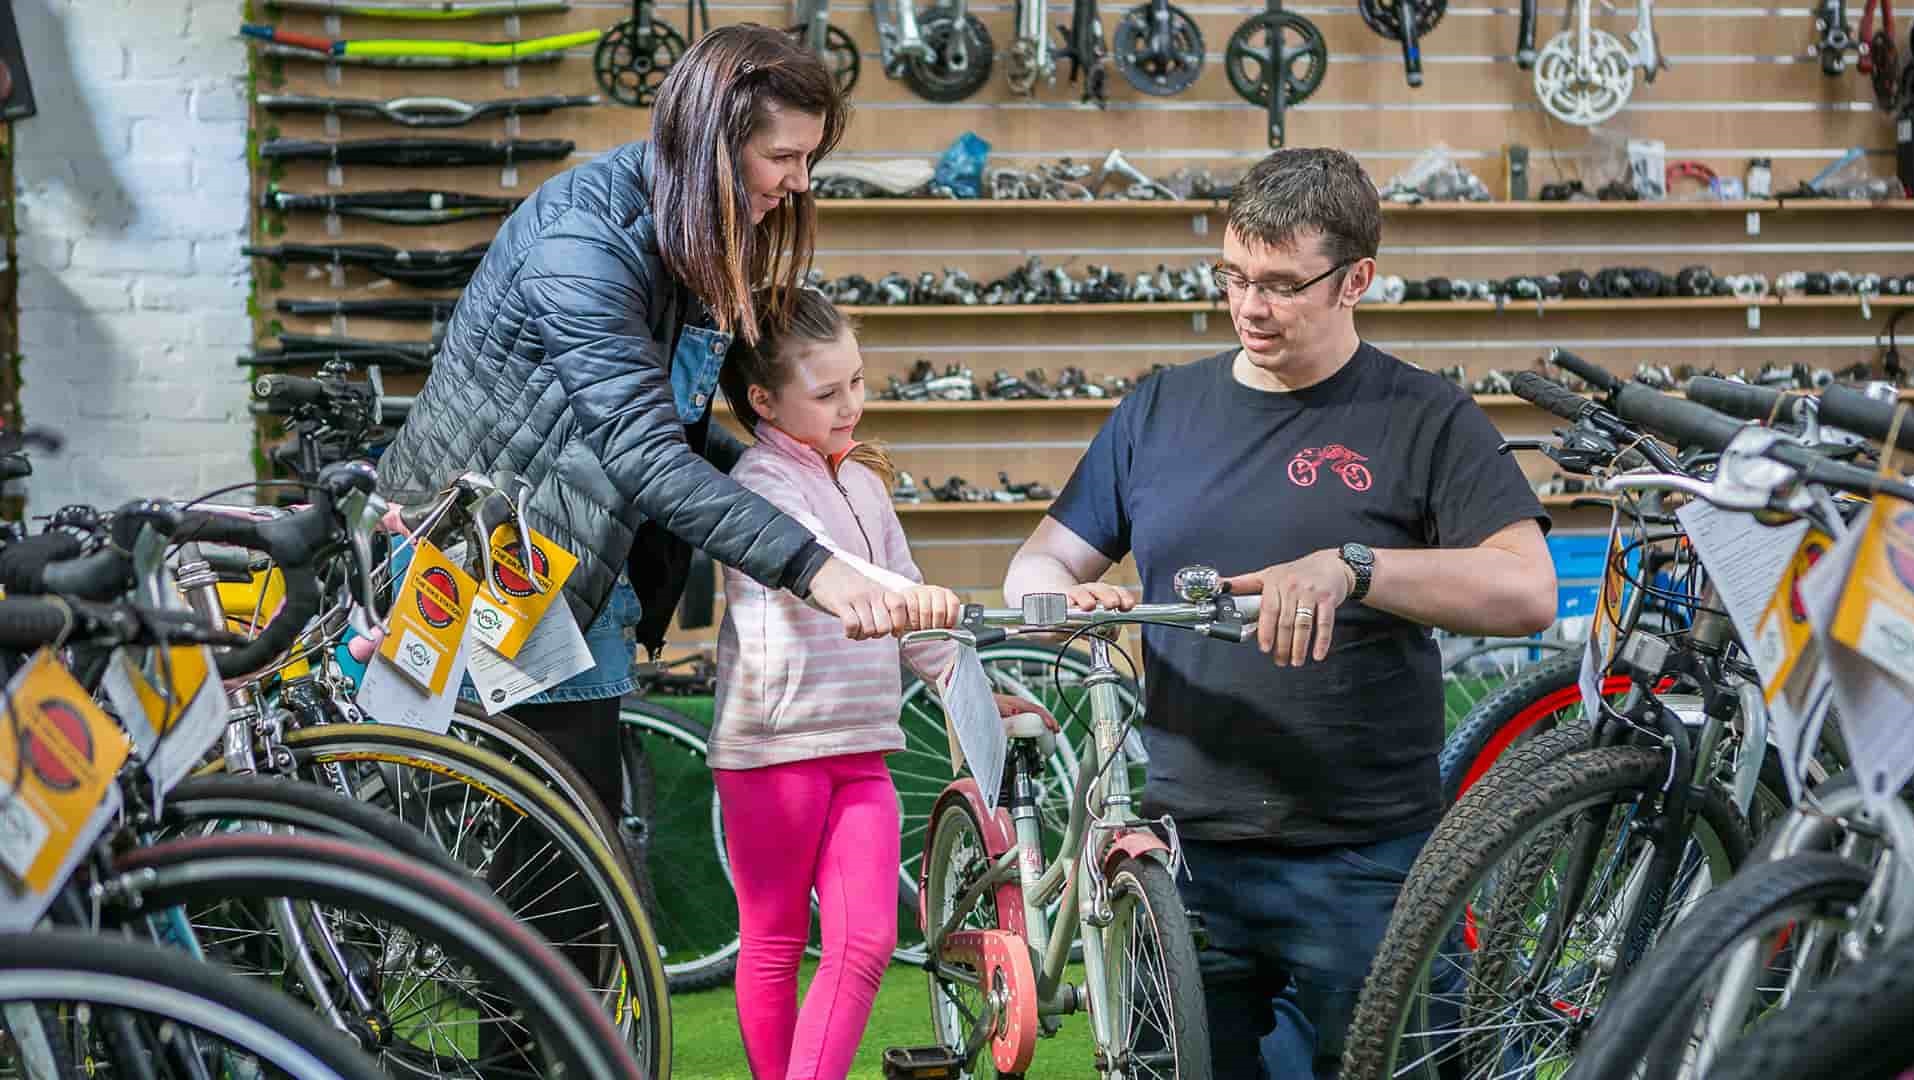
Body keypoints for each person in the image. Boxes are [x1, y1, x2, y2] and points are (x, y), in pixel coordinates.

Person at [1000, 147, 1558, 1079]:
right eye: (1233, 277)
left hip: (1368, 861)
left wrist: (1358, 568)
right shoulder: (1161, 410)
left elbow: (1527, 587)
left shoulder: (1423, 415)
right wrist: (1058, 602)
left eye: (1281, 285)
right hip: (1187, 859)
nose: (1251, 307)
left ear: (1357, 281)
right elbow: (1044, 556)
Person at [375, 25, 913, 833]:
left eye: (810, 160)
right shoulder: (585, 245)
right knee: (553, 872)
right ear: (712, 148)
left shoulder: (686, 235)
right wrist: (813, 566)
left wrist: (793, 478)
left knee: (571, 860)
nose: (800, 184)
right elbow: (643, 454)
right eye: (783, 158)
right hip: (496, 571)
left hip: (566, 568)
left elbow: (676, 426)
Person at [709, 288, 1052, 1080]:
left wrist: (970, 686)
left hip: (863, 748)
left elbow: (905, 591)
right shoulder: (759, 481)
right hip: (773, 752)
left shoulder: (863, 481)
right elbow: (823, 560)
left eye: (857, 382)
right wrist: (908, 599)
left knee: (863, 941)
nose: (850, 405)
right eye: (826, 393)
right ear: (763, 400)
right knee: (774, 940)